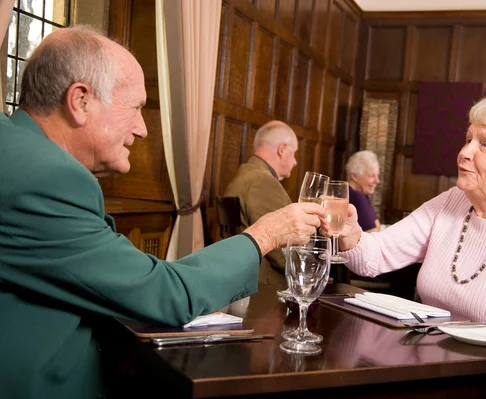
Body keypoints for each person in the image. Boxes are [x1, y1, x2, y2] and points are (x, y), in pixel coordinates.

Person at [0, 26, 325, 399]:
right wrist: (266, 234)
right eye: (136, 107)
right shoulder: (46, 178)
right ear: (81, 101)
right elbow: (167, 295)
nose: (142, 129)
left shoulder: (18, 149)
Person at [330, 90, 486, 398]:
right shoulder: (452, 201)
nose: (464, 152)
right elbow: (374, 258)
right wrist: (349, 231)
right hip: (436, 374)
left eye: (485, 144)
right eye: (468, 139)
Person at [224, 120, 298, 287]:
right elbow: (280, 249)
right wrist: (311, 268)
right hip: (266, 288)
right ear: (282, 149)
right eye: (294, 153)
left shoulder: (245, 174)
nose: (295, 162)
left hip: (242, 280)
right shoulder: (262, 182)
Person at [346, 150, 381, 232]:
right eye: (371, 176)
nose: (377, 181)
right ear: (354, 176)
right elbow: (373, 232)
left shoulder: (361, 194)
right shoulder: (357, 196)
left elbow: (377, 225)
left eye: (377, 175)